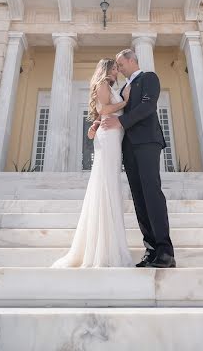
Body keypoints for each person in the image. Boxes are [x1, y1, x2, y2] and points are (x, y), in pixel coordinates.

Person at [51, 58, 133, 268]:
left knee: (109, 184)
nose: (117, 71)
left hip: (113, 136)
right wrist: (124, 101)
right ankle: (105, 248)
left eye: (117, 68)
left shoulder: (108, 86)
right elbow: (105, 110)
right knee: (106, 184)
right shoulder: (103, 84)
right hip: (109, 138)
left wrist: (96, 123)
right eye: (114, 68)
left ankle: (108, 242)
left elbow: (102, 113)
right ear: (106, 69)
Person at [101, 49, 176, 268]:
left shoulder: (149, 78)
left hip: (147, 143)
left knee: (152, 194)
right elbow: (115, 113)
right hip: (128, 147)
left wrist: (120, 123)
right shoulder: (123, 89)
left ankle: (165, 252)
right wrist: (101, 123)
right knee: (139, 199)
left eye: (120, 63)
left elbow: (147, 106)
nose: (119, 68)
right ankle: (151, 250)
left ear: (132, 60)